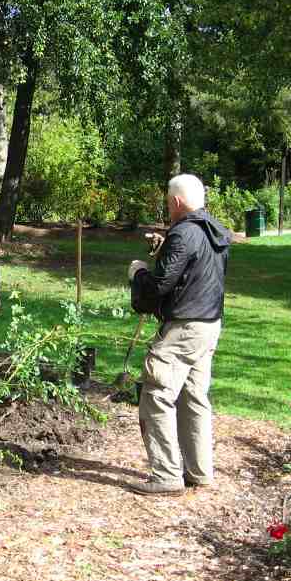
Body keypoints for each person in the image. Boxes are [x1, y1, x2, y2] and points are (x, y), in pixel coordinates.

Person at [128, 173, 231, 495]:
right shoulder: (216, 231)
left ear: (176, 201)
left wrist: (138, 273)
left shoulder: (184, 233)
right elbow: (193, 272)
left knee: (156, 394)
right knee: (193, 398)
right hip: (209, 325)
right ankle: (199, 472)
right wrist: (164, 251)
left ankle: (166, 475)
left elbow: (161, 285)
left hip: (184, 328)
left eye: (168, 204)